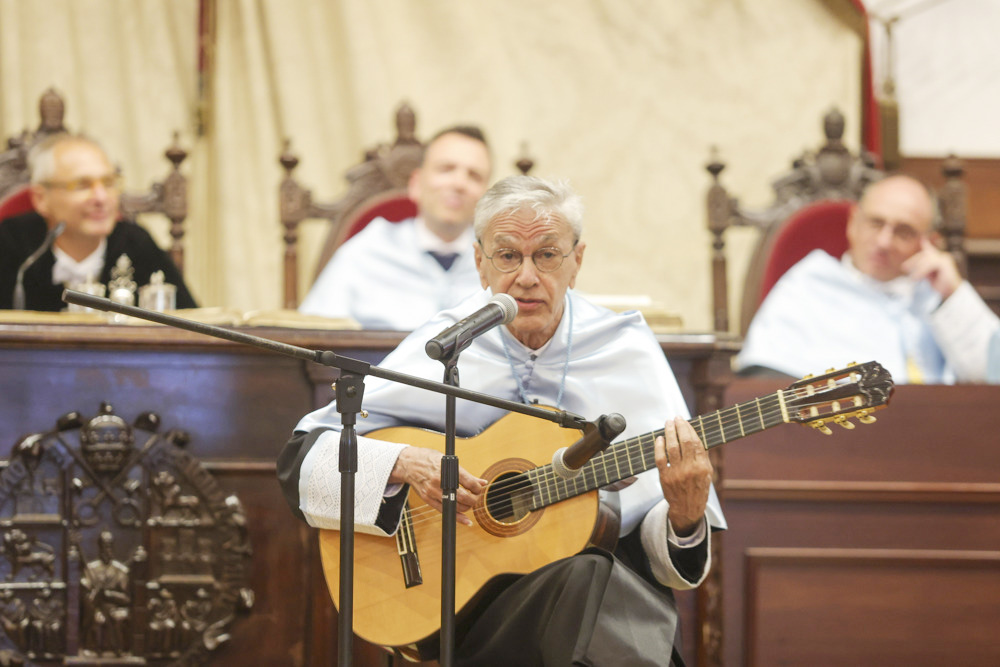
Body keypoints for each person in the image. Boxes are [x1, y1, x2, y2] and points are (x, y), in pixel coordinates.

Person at [279, 175, 725, 665]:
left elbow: (654, 545)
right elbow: (303, 459)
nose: (528, 276)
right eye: (509, 255)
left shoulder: (625, 348)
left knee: (592, 577)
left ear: (577, 262)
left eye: (548, 255)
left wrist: (684, 518)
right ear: (479, 264)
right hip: (469, 603)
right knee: (594, 588)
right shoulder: (446, 343)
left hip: (601, 592)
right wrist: (402, 463)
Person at [736, 174, 1000, 384]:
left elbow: (990, 377)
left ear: (928, 242)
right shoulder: (808, 287)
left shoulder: (936, 296)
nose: (884, 242)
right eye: (876, 223)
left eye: (903, 232)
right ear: (853, 223)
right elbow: (764, 383)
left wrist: (953, 295)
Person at [298, 125, 492, 329]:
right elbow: (312, 338)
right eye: (446, 169)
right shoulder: (366, 251)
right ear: (416, 184)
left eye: (474, 176)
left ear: (487, 197)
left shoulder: (501, 262)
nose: (459, 183)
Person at [0, 133, 196, 311]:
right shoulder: (8, 244)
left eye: (109, 182)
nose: (101, 198)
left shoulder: (137, 244)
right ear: (41, 199)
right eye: (82, 185)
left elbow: (193, 326)